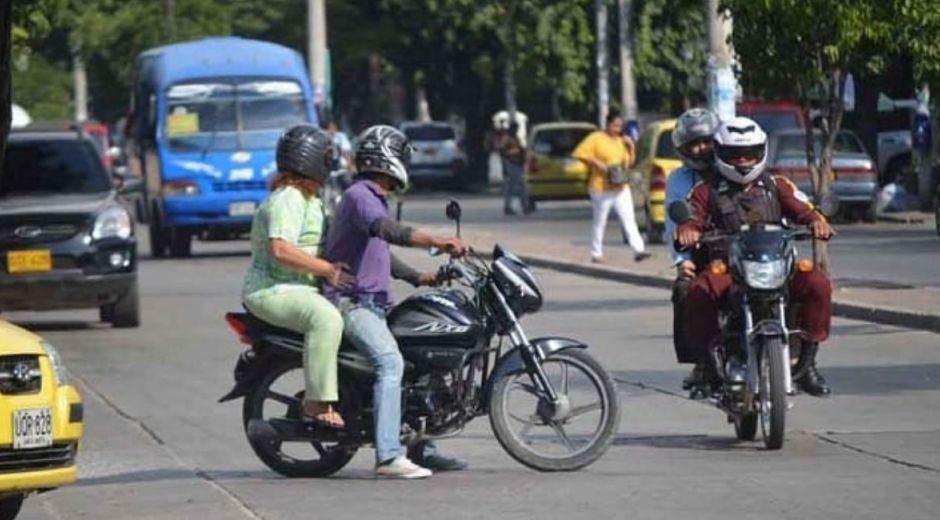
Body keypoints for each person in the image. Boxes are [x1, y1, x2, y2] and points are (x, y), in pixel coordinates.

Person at [324, 125, 470, 479]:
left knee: (422, 364)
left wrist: (422, 278)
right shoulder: (360, 195)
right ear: (385, 158)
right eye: (401, 155)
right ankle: (388, 457)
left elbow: (381, 253)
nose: (405, 162)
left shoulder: (374, 197)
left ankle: (422, 447)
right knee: (391, 364)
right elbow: (390, 233)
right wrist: (436, 239)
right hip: (352, 303)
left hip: (375, 304)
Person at [676, 117, 834, 397]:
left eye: (750, 153)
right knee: (698, 291)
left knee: (817, 283)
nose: (743, 161)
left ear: (762, 151)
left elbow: (805, 209)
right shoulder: (704, 191)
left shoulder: (777, 185)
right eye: (735, 154)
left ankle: (807, 364)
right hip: (729, 268)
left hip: (776, 264)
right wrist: (688, 230)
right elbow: (691, 220)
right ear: (720, 153)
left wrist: (816, 222)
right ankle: (709, 365)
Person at [241, 125, 356, 429]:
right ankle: (316, 403)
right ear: (312, 161)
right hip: (272, 290)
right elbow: (281, 249)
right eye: (326, 158)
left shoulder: (309, 199)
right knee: (326, 319)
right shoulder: (287, 198)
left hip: (297, 288)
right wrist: (328, 271)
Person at [662, 108, 721, 385]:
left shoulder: (734, 166)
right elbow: (674, 224)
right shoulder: (678, 179)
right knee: (684, 290)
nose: (701, 149)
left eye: (707, 141)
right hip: (703, 251)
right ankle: (700, 361)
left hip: (745, 248)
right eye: (694, 144)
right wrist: (681, 258)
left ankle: (798, 359)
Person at [573, 113, 650, 263]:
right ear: (607, 124)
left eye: (620, 126)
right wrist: (597, 163)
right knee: (600, 221)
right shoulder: (596, 138)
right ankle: (596, 253)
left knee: (629, 219)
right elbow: (580, 153)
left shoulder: (620, 141)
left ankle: (638, 250)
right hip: (601, 187)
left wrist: (631, 147)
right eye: (614, 125)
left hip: (621, 187)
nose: (617, 129)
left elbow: (629, 164)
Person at [496, 122, 532, 215]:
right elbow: (501, 150)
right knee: (519, 185)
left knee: (513, 186)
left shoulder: (515, 138)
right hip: (511, 163)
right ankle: (522, 206)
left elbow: (520, 149)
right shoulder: (507, 138)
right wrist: (512, 153)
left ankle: (521, 206)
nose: (516, 130)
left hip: (517, 164)